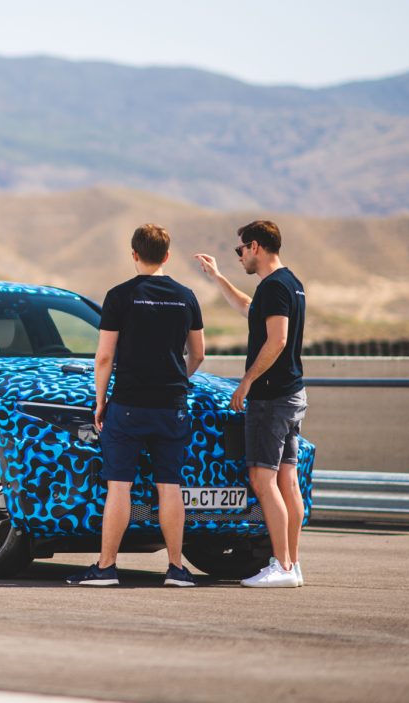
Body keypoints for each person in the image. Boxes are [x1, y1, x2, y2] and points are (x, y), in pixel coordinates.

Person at [67, 224, 205, 587]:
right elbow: (199, 352)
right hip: (172, 403)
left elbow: (104, 357)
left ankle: (107, 567)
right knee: (169, 486)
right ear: (167, 256)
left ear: (133, 254)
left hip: (127, 403)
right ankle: (176, 568)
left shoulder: (119, 296)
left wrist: (100, 402)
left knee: (119, 486)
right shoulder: (186, 295)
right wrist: (179, 380)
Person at [194, 220, 307, 588]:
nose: (239, 255)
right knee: (288, 482)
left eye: (239, 249)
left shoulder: (275, 288)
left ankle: (283, 567)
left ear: (255, 246)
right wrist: (217, 277)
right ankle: (292, 564)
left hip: (272, 398)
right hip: (292, 394)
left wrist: (246, 381)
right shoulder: (289, 284)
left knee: (263, 479)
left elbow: (276, 341)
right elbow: (248, 308)